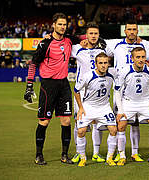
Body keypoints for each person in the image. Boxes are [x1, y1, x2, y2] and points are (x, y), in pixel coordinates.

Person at [24, 13, 78, 165]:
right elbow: (34, 64)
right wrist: (29, 86)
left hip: (64, 84)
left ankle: (64, 155)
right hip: (48, 85)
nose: (62, 27)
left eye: (64, 24)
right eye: (59, 24)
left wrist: (97, 39)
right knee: (44, 122)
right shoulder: (45, 43)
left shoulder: (69, 40)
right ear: (53, 25)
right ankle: (38, 155)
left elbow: (82, 38)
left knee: (66, 121)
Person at [105, 20, 149, 162]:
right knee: (118, 122)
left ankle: (134, 152)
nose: (132, 32)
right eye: (129, 29)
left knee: (135, 123)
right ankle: (113, 153)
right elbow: (98, 42)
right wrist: (82, 41)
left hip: (136, 91)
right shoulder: (116, 44)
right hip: (120, 89)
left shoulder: (144, 45)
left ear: (137, 31)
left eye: (134, 29)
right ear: (125, 31)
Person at [114, 47, 149, 166]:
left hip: (145, 103)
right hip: (128, 102)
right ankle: (122, 156)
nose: (141, 60)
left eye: (143, 57)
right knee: (121, 125)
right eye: (138, 57)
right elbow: (117, 91)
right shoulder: (124, 71)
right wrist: (120, 110)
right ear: (132, 58)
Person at [70, 22, 108, 164]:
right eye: (91, 33)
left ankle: (96, 153)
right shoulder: (78, 49)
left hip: (97, 91)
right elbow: (64, 43)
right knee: (78, 122)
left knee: (96, 122)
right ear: (86, 35)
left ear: (99, 35)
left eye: (95, 34)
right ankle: (79, 153)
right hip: (81, 92)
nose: (93, 36)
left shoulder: (103, 50)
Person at [74, 52, 117, 167]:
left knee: (113, 130)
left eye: (106, 63)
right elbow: (76, 91)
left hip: (104, 107)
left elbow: (127, 69)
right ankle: (82, 158)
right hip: (89, 106)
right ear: (95, 64)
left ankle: (109, 158)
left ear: (109, 64)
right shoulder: (88, 76)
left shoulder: (113, 73)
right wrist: (81, 108)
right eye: (101, 63)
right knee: (81, 131)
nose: (103, 65)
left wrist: (146, 65)